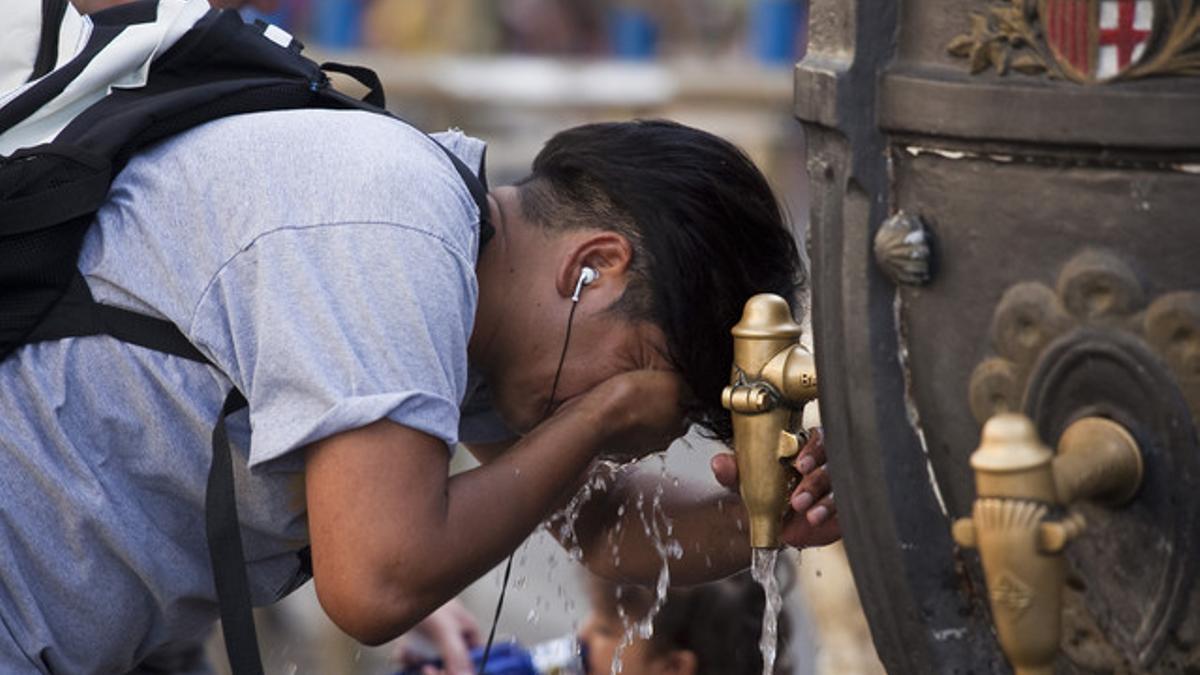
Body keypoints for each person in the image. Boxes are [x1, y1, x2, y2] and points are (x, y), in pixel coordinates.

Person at [0, 3, 839, 673]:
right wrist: (601, 414)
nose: (638, 433)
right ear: (596, 266)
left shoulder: (464, 272)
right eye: (649, 379)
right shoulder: (394, 225)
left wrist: (764, 516)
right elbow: (375, 579)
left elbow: (606, 530)